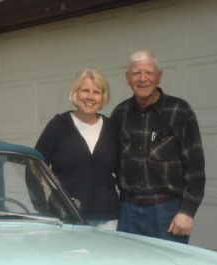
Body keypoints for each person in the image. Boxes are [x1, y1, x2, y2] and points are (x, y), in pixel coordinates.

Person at [111, 50, 205, 243]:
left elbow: (195, 168)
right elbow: (107, 162)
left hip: (166, 212)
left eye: (149, 73)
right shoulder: (120, 113)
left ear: (159, 77)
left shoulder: (179, 111)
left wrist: (187, 211)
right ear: (128, 78)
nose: (143, 79)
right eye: (136, 73)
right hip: (128, 211)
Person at [35, 68, 119, 229]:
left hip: (107, 219)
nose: (90, 97)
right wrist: (40, 208)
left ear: (102, 98)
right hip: (66, 218)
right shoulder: (58, 126)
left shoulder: (112, 128)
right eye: (85, 91)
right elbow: (34, 169)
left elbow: (123, 171)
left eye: (96, 92)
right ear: (76, 94)